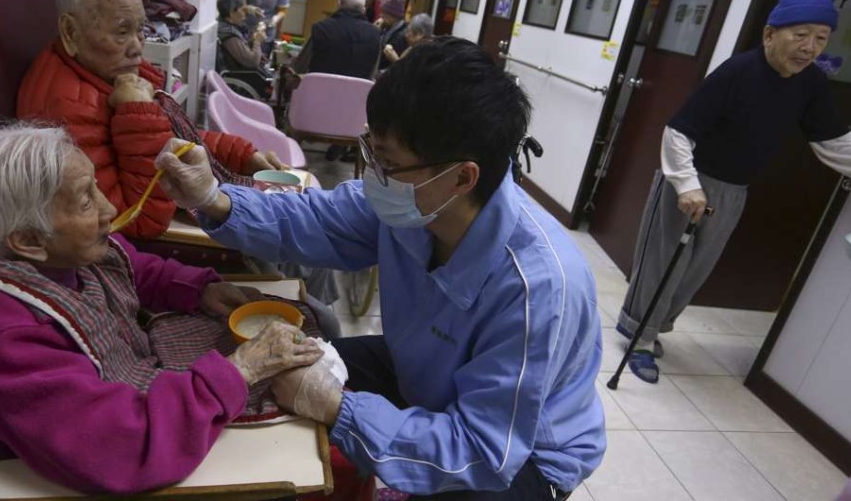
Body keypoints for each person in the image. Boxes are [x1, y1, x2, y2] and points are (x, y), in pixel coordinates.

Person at [155, 38, 606, 499]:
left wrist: (338, 409)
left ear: (461, 176)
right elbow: (315, 218)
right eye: (371, 150)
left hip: (522, 454)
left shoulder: (538, 287)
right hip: (424, 374)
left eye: (387, 162)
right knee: (287, 366)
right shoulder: (421, 203)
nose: (372, 173)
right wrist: (213, 198)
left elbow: (484, 450)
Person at [0, 122, 323, 494]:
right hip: (115, 448)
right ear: (28, 240)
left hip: (141, 381)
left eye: (96, 186)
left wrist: (200, 289)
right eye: (86, 200)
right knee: (319, 443)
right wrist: (240, 370)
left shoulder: (62, 254)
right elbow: (117, 447)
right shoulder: (11, 337)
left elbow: (134, 269)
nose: (109, 208)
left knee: (311, 342)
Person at [618, 0, 851, 384]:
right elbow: (678, 131)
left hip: (732, 192)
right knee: (665, 260)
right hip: (689, 182)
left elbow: (831, 139)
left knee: (696, 268)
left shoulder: (810, 83)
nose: (809, 47)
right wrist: (687, 185)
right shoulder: (737, 72)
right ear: (770, 34)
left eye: (820, 38)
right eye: (801, 35)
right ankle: (639, 335)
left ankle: (655, 327)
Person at [17, 0, 286, 240]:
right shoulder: (64, 108)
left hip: (156, 215)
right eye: (122, 32)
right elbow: (138, 222)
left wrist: (243, 156)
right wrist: (138, 112)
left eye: (140, 30)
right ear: (71, 33)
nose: (137, 47)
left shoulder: (101, 72)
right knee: (270, 235)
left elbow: (176, 139)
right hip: (136, 244)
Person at [292, 0, 381, 79]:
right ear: (364, 8)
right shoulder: (375, 35)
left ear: (338, 4)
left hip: (321, 87)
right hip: (358, 88)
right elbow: (373, 74)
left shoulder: (321, 29)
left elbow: (300, 67)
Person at [216, 0, 268, 72]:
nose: (246, 13)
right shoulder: (229, 35)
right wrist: (257, 41)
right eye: (243, 10)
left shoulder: (224, 24)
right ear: (232, 12)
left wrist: (254, 40)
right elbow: (252, 61)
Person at [375, 0, 408, 70]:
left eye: (384, 13)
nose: (381, 15)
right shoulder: (387, 27)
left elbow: (382, 58)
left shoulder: (400, 36)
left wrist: (375, 34)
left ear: (393, 15)